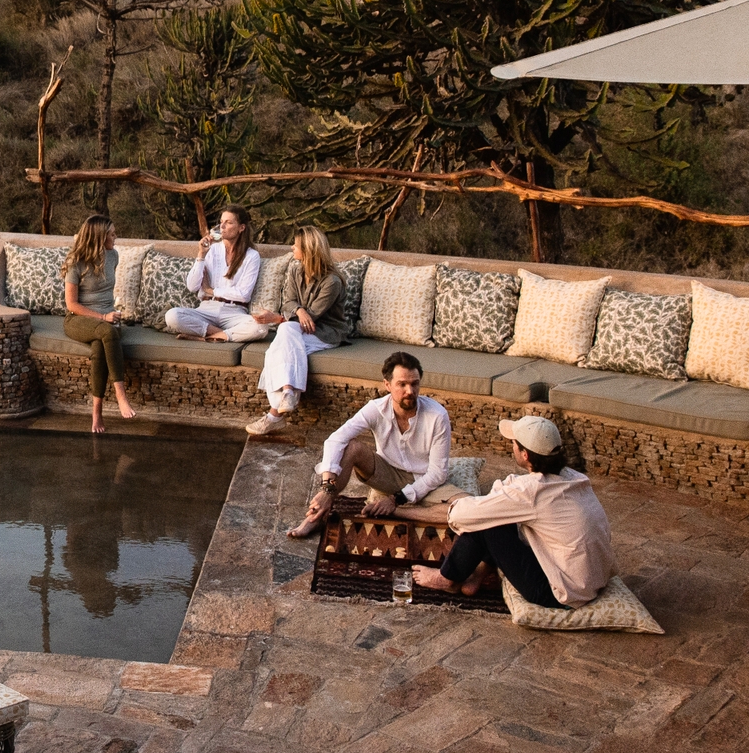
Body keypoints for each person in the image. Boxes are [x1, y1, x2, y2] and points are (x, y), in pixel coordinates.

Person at [413, 416, 615, 607]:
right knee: (499, 511)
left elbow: (460, 514)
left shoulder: (530, 492)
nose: (512, 446)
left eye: (514, 443)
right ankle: (477, 575)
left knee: (486, 519)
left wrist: (479, 503)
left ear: (525, 455)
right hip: (591, 581)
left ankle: (446, 578)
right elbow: (518, 493)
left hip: (559, 593)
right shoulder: (574, 477)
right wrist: (497, 498)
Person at [285, 351, 455, 538]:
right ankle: (315, 518)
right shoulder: (376, 409)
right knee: (353, 448)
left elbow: (438, 473)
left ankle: (398, 513)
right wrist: (327, 488)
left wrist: (395, 501)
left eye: (415, 384)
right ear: (387, 385)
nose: (410, 391)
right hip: (387, 474)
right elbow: (336, 439)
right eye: (402, 384)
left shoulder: (437, 416)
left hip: (425, 479)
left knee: (464, 509)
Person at [246, 226, 349, 436]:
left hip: (325, 333)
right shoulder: (295, 270)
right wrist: (298, 310)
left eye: (296, 245)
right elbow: (288, 302)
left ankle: (274, 416)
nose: (292, 247)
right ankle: (287, 393)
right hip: (297, 329)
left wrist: (284, 317)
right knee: (286, 335)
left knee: (281, 341)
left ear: (309, 250)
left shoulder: (332, 282)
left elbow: (312, 318)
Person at [62, 212, 137, 434]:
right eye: (112, 234)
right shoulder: (75, 262)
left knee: (99, 347)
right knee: (106, 331)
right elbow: (72, 305)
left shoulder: (113, 256)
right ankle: (121, 395)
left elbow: (106, 295)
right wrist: (103, 317)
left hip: (107, 319)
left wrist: (108, 315)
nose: (116, 237)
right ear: (99, 236)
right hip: (78, 319)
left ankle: (96, 412)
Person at [165, 206, 266, 343]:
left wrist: (210, 290)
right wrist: (201, 255)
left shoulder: (251, 256)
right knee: (172, 316)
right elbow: (192, 287)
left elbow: (244, 294)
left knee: (261, 327)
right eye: (221, 222)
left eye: (229, 223)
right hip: (207, 309)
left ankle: (203, 337)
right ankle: (219, 335)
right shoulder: (211, 250)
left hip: (234, 312)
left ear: (241, 228)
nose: (222, 226)